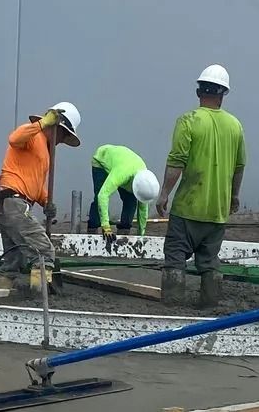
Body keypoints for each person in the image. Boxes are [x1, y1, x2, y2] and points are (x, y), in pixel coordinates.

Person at [159, 65, 246, 306]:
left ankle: (172, 306)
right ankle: (210, 304)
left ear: (199, 92)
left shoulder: (188, 121)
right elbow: (239, 167)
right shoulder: (235, 126)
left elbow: (176, 162)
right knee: (209, 262)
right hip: (217, 212)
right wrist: (234, 197)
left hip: (187, 208)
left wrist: (164, 194)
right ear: (223, 94)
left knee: (175, 257)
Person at [0, 102, 81, 300]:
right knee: (43, 250)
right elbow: (14, 138)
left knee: (14, 256)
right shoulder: (33, 135)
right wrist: (43, 123)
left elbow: (33, 182)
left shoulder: (43, 149)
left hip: (8, 203)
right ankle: (38, 296)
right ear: (56, 126)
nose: (61, 141)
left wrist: (46, 201)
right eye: (63, 135)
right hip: (13, 201)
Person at [89, 145, 161, 238]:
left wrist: (141, 235)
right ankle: (92, 229)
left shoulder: (144, 180)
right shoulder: (122, 174)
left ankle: (124, 231)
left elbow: (143, 209)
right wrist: (106, 227)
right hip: (101, 161)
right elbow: (103, 195)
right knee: (99, 198)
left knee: (131, 202)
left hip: (123, 165)